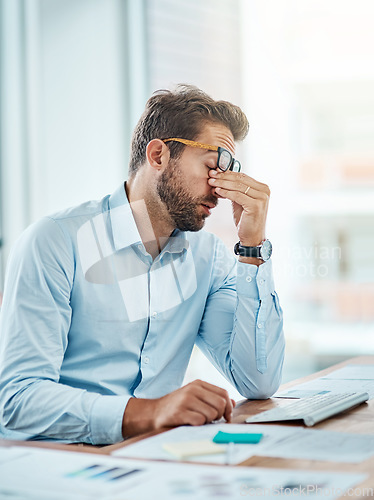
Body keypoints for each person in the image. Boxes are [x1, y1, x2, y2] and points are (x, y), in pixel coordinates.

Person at [0, 85, 284, 444]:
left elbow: (258, 380)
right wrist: (150, 413)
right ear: (158, 155)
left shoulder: (208, 258)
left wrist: (252, 247)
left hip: (153, 461)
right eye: (213, 168)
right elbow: (18, 401)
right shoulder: (55, 241)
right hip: (60, 462)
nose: (220, 189)